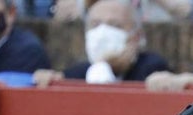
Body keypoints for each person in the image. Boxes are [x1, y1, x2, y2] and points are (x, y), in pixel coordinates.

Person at [33, 0, 169, 86]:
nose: (103, 32)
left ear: (136, 36)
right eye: (96, 25)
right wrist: (48, 79)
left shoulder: (151, 67)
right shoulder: (78, 72)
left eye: (115, 25)